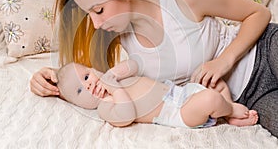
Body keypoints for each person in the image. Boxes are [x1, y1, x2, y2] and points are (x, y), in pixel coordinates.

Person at [30, 0, 278, 136]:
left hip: (265, 49)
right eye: (90, 15)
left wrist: (224, 60)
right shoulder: (116, 32)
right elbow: (93, 80)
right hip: (249, 96)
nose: (95, 24)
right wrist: (52, 78)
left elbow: (259, 14)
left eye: (99, 10)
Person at [56, 59, 258, 128]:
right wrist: (114, 89)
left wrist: (112, 74)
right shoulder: (105, 107)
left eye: (86, 76)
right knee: (211, 98)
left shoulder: (113, 78)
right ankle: (230, 109)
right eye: (80, 91)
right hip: (177, 112)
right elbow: (126, 116)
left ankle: (226, 109)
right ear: (79, 104)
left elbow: (133, 64)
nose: (88, 85)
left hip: (181, 92)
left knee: (216, 83)